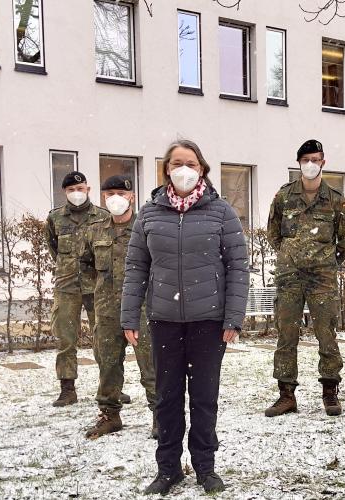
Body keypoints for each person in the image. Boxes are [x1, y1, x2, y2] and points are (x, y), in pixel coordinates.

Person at [121, 140, 248, 495]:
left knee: (205, 398)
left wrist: (233, 317)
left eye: (191, 163)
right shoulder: (148, 214)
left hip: (209, 321)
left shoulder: (221, 212)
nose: (184, 169)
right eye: (177, 162)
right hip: (163, 319)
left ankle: (205, 467)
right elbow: (135, 268)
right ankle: (168, 469)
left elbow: (238, 266)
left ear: (202, 169)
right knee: (167, 397)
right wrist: (129, 316)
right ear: (166, 169)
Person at [264, 139, 345, 417]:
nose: (311, 165)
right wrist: (290, 257)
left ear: (323, 162)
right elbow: (273, 234)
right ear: (299, 163)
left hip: (323, 280)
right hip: (289, 278)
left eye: (315, 160)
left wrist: (326, 261)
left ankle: (330, 392)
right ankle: (286, 395)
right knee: (286, 335)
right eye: (306, 160)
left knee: (327, 335)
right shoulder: (283, 196)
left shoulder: (336, 200)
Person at [79, 175, 157, 440]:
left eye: (121, 194)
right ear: (102, 197)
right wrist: (102, 292)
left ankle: (160, 416)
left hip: (144, 307)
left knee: (151, 365)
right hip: (108, 309)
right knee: (108, 364)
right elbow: (85, 265)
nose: (115, 198)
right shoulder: (95, 229)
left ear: (132, 196)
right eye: (109, 193)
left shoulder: (146, 228)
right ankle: (109, 415)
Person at [46, 171, 109, 407]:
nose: (76, 193)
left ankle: (109, 386)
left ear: (88, 189)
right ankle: (67, 389)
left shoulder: (103, 217)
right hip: (66, 286)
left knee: (104, 338)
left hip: (97, 286)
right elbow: (54, 248)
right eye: (71, 190)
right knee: (65, 338)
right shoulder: (55, 218)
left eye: (80, 189)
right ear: (65, 192)